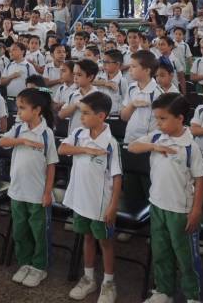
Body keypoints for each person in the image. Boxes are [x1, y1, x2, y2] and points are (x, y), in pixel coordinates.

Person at [129, 93, 203, 303]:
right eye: (157, 118)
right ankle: (164, 290)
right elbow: (132, 146)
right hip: (157, 205)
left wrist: (196, 210)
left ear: (180, 118)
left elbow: (200, 181)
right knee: (161, 250)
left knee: (185, 256)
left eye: (163, 118)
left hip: (181, 210)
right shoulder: (156, 137)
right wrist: (154, 146)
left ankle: (193, 295)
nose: (158, 123)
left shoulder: (191, 146)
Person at [58, 91, 121, 303]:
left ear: (101, 116)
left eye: (85, 113)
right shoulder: (79, 134)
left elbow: (117, 176)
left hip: (101, 203)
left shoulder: (110, 143)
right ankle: (89, 278)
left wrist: (113, 206)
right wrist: (86, 150)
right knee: (87, 237)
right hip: (81, 199)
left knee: (105, 242)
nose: (81, 117)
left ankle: (109, 283)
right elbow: (62, 148)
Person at [0, 88, 58, 288]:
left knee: (39, 231)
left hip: (37, 193)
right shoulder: (18, 128)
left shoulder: (47, 133)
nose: (18, 112)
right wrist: (22, 140)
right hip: (17, 191)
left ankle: (39, 267)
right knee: (20, 230)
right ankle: (25, 262)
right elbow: (1, 141)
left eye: (22, 108)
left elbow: (51, 165)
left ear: (37, 110)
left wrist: (48, 192)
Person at [59, 58, 99, 133]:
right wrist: (75, 105)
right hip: (73, 138)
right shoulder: (73, 94)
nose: (75, 78)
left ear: (90, 77)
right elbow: (61, 115)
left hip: (89, 139)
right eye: (74, 74)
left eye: (79, 75)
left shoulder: (97, 96)